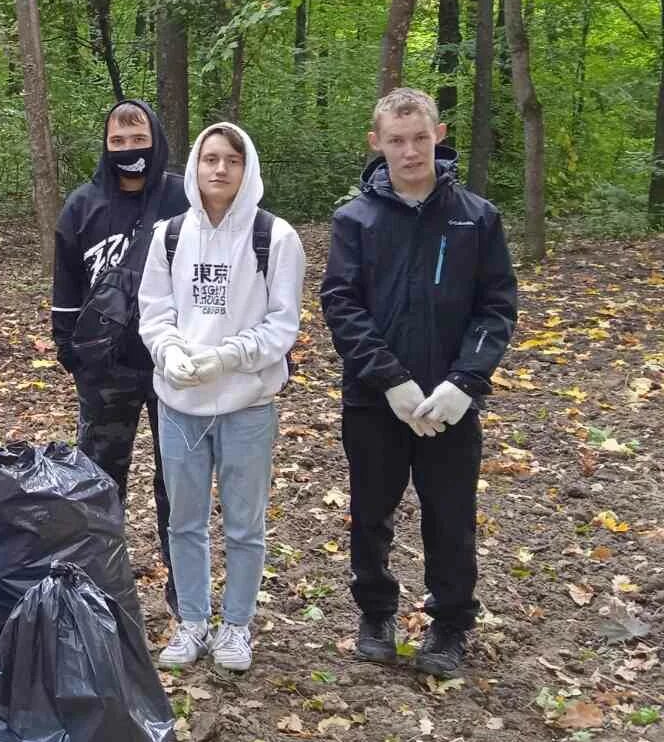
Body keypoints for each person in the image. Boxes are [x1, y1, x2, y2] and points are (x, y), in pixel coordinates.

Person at [321, 89, 517, 677]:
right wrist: (389, 379)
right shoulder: (355, 219)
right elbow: (342, 303)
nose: (410, 151)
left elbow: (496, 306)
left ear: (440, 134)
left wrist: (465, 382)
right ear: (375, 142)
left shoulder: (476, 218)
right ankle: (376, 613)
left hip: (448, 404)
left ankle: (450, 624)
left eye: (420, 138)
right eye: (396, 140)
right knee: (371, 511)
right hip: (374, 401)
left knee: (450, 513)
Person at [138, 123, 305, 672]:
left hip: (247, 404)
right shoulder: (169, 235)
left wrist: (228, 356)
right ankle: (191, 620)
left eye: (231, 159)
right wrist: (170, 352)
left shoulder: (274, 237)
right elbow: (155, 312)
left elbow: (283, 325)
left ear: (246, 167)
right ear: (194, 165)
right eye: (210, 158)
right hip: (180, 405)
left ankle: (236, 626)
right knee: (183, 520)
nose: (219, 169)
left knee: (243, 523)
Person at [51, 98, 189, 614]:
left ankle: (185, 593)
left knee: (178, 481)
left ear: (155, 139)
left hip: (174, 366)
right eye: (118, 141)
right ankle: (99, 591)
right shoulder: (83, 205)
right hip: (104, 368)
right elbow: (66, 282)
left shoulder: (184, 199)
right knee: (101, 483)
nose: (129, 150)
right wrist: (71, 351)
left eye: (138, 140)